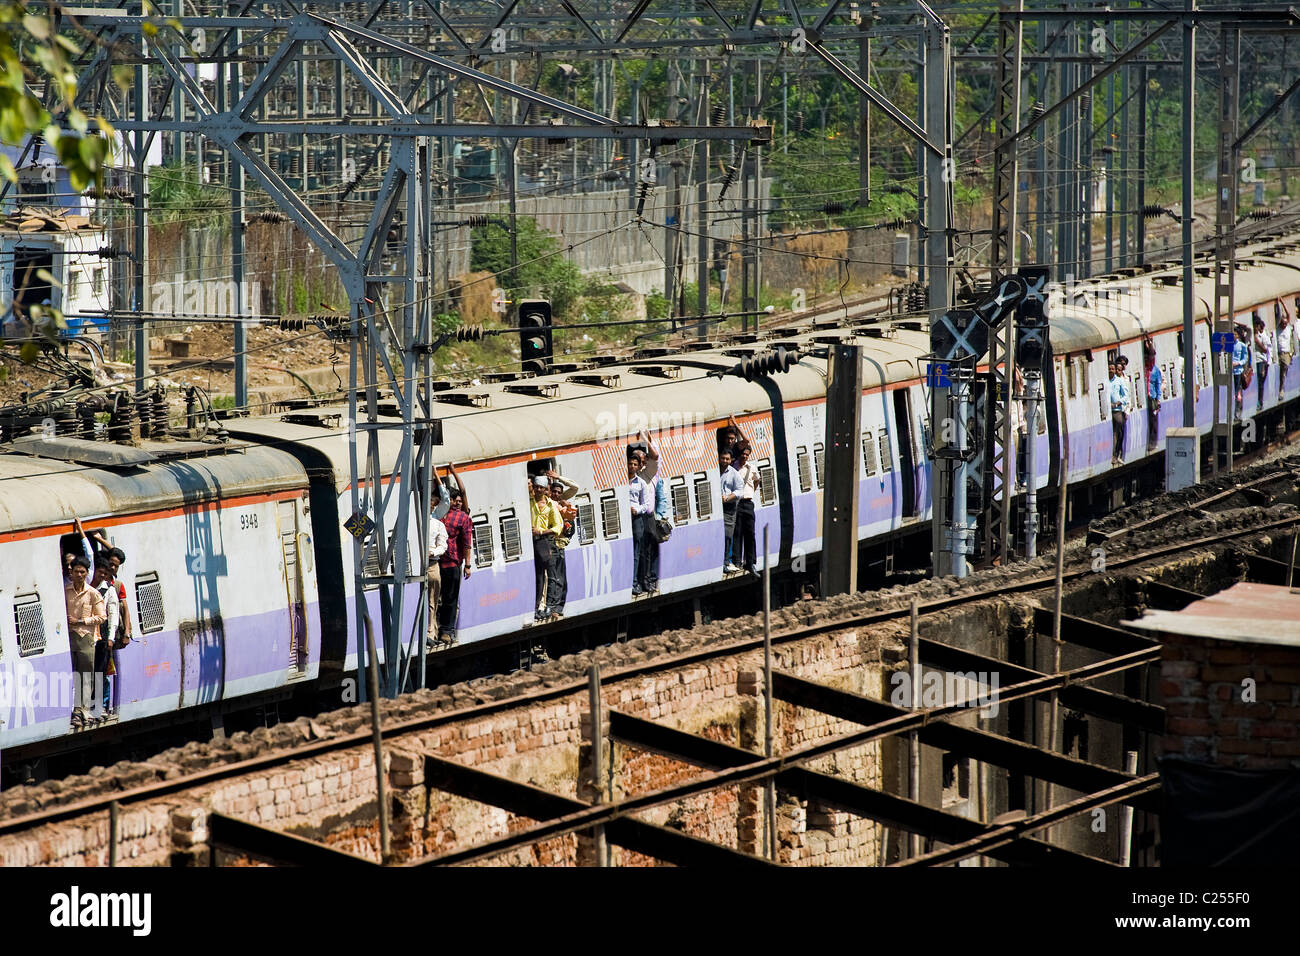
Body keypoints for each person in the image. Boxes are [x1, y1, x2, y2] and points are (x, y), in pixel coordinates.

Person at [64, 556, 105, 730]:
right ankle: (75, 710)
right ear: (70, 573)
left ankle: (84, 710)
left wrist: (81, 621)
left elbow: (102, 617)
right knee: (72, 674)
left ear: (87, 573)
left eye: (82, 572)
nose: (79, 575)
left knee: (86, 675)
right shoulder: (65, 591)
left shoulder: (93, 593)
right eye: (76, 572)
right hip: (69, 637)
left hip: (86, 637)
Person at [437, 480, 472, 646]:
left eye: (458, 501)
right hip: (450, 563)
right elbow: (467, 543)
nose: (457, 503)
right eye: (454, 500)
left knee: (442, 598)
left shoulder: (438, 515)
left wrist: (467, 564)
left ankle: (444, 630)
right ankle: (446, 630)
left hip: (439, 563)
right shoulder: (461, 517)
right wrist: (467, 565)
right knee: (450, 599)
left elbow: (466, 543)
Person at [724, 440, 760, 573]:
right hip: (737, 504)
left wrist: (750, 492)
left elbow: (757, 480)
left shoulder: (752, 468)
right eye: (743, 454)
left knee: (750, 533)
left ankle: (751, 562)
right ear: (739, 454)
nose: (744, 456)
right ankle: (737, 561)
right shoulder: (733, 467)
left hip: (748, 503)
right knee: (737, 533)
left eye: (747, 454)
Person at [547, 474, 580, 620]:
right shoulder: (549, 504)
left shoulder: (561, 503)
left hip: (561, 544)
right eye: (554, 492)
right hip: (552, 544)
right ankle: (552, 607)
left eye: (559, 492)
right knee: (554, 578)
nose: (556, 495)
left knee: (561, 578)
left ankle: (559, 607)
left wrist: (558, 477)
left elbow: (575, 487)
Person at [529, 475, 562, 620]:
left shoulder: (550, 506)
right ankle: (538, 606)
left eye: (541, 487)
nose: (538, 490)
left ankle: (548, 605)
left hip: (545, 541)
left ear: (545, 489)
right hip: (531, 542)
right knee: (538, 575)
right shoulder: (529, 503)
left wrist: (541, 531)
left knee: (549, 575)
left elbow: (558, 527)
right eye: (536, 487)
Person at [91, 558, 119, 721]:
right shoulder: (86, 588)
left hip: (101, 636)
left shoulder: (108, 590)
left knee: (100, 672)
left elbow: (113, 614)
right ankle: (86, 706)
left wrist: (111, 638)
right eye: (100, 571)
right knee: (86, 672)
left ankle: (99, 707)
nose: (102, 575)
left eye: (105, 573)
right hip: (87, 636)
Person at [628, 448, 656, 596]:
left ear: (639, 467)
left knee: (636, 551)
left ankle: (634, 582)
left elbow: (645, 504)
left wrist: (636, 510)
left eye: (634, 464)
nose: (632, 466)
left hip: (637, 519)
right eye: (630, 464)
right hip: (624, 520)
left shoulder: (642, 483)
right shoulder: (621, 482)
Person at [426, 486, 448, 651]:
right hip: (420, 566)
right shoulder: (414, 523)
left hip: (432, 564)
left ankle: (431, 633)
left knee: (432, 601)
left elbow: (443, 546)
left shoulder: (437, 525)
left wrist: (432, 552)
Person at [1108, 360, 1129, 466]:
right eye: (1109, 368)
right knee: (1111, 434)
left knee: (1119, 432)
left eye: (1112, 368)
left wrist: (1118, 403)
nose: (1111, 370)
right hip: (1107, 412)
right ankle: (1111, 454)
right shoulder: (1106, 381)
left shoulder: (1119, 381)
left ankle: (1116, 454)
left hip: (1117, 411)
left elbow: (1126, 396)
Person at [719, 449, 737, 572]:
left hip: (728, 507)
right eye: (723, 458)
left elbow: (739, 491)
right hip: (716, 507)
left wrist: (726, 499)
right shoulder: (715, 470)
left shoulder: (733, 473)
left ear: (731, 460)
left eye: (727, 459)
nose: (725, 461)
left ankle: (726, 562)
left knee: (727, 536)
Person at [1144, 336, 1162, 451]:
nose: (1149, 359)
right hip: (1146, 396)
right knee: (1149, 420)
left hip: (1153, 397)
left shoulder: (1155, 370)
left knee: (1153, 419)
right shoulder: (1144, 369)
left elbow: (1158, 385)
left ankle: (1153, 441)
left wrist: (1158, 399)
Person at [1253, 312, 1274, 407]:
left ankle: (1259, 401)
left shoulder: (1263, 337)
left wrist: (1257, 343)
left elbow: (1266, 350)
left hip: (1261, 361)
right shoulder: (1250, 335)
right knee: (1257, 383)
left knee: (1260, 382)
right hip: (1254, 361)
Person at [1276, 301, 1296, 399]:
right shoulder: (1278, 328)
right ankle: (1280, 390)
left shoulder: (1288, 328)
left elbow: (1288, 315)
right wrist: (1279, 305)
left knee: (1284, 371)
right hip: (1279, 353)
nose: (1284, 325)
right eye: (1283, 323)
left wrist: (1283, 302)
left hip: (1286, 353)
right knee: (1280, 373)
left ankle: (1282, 390)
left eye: (1285, 323)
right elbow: (1280, 316)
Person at [1232, 324, 1250, 419]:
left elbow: (1245, 359)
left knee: (1238, 392)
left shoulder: (1242, 346)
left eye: (1235, 334)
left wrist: (1238, 363)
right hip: (1231, 372)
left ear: (1238, 335)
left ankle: (1238, 411)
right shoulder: (1229, 345)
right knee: (1232, 392)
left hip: (1238, 371)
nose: (1233, 336)